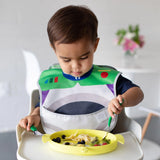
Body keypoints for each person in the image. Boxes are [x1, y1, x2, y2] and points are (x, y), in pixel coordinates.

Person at [19, 5, 144, 133]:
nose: (75, 66)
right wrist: (34, 115)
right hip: (58, 146)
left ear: (95, 45)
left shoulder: (106, 78)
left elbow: (138, 94)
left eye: (83, 57)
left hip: (100, 145)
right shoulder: (50, 80)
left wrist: (123, 100)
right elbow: (45, 104)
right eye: (66, 60)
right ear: (54, 49)